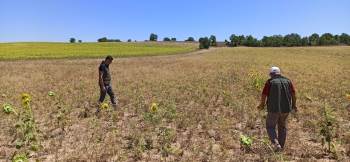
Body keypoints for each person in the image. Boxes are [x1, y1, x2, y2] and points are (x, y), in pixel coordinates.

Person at [257, 66, 297, 151]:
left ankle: (276, 144)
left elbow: (264, 95)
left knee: (270, 127)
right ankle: (281, 147)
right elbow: (293, 94)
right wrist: (294, 105)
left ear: (271, 74)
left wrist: (262, 105)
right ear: (279, 73)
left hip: (273, 109)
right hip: (286, 109)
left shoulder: (270, 82)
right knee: (282, 127)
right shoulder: (288, 81)